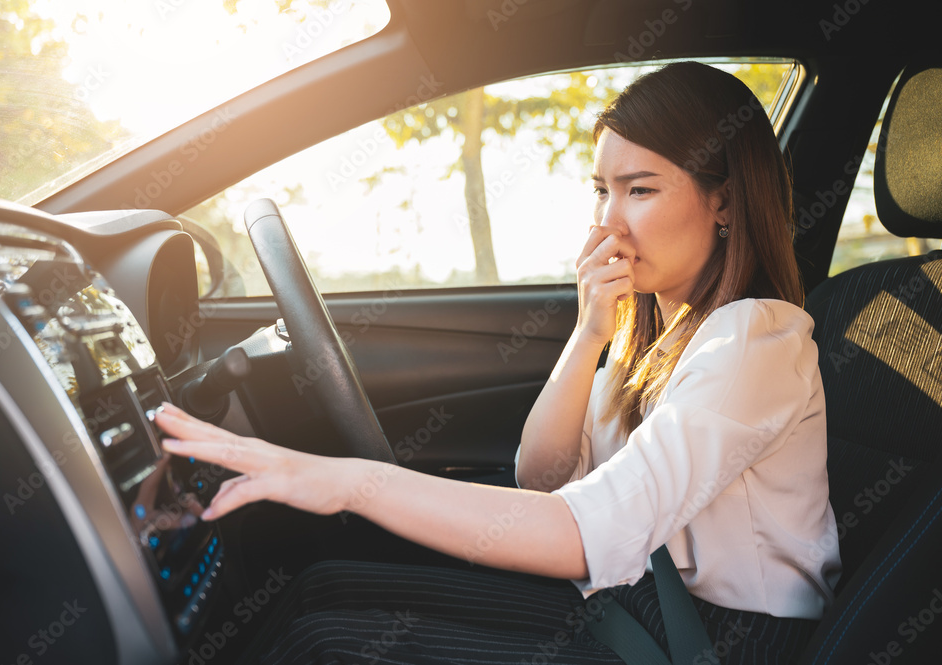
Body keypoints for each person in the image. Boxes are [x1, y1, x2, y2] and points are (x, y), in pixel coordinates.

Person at [156, 61, 841, 664]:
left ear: (723, 201)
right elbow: (541, 477)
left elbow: (582, 532)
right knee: (322, 587)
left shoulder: (753, 336)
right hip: (638, 604)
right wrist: (590, 333)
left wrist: (343, 482)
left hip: (716, 641)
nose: (608, 224)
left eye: (640, 189)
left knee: (326, 642)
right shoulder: (665, 335)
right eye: (600, 190)